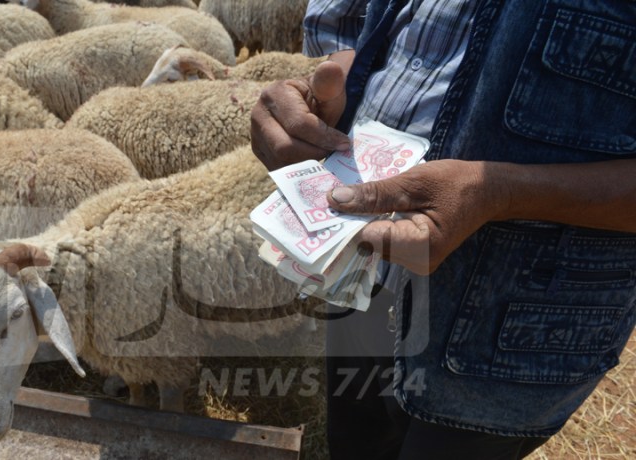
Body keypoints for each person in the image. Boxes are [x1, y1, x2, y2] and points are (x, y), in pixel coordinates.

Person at [250, 1, 636, 459]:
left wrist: (504, 193)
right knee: (355, 443)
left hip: (505, 328)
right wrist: (324, 94)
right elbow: (390, 36)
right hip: (368, 270)